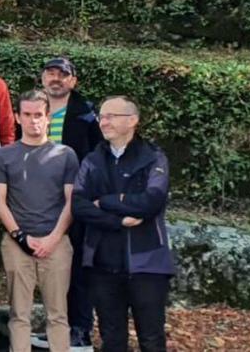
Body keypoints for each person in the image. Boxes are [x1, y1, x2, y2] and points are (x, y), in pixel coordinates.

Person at [71, 97, 175, 352]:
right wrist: (117, 220)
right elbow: (78, 204)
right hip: (103, 263)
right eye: (102, 116)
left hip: (147, 262)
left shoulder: (153, 157)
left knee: (151, 338)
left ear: (132, 121)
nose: (103, 122)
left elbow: (151, 201)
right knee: (112, 338)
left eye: (111, 116)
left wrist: (107, 201)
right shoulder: (93, 160)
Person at [0, 90, 80, 352]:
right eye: (28, 115)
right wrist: (21, 237)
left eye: (39, 115)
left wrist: (52, 239)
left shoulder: (66, 155)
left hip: (56, 243)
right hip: (17, 243)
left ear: (48, 117)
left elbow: (71, 202)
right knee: (20, 314)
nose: (34, 121)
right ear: (18, 117)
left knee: (58, 314)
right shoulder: (4, 155)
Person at [37, 56, 104, 352]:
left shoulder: (87, 115)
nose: (56, 79)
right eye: (50, 73)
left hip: (76, 200)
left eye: (62, 75)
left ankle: (80, 329)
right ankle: (54, 325)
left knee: (77, 265)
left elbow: (98, 157)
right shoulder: (33, 110)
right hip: (39, 200)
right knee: (47, 265)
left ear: (73, 81)